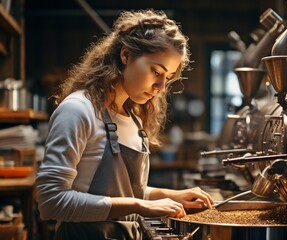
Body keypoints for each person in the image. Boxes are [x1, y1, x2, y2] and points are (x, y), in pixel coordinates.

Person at [36, 9, 214, 239]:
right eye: (155, 71)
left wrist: (171, 195)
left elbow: (124, 193)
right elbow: (51, 202)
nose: (161, 86)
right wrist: (138, 206)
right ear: (126, 55)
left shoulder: (134, 118)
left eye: (167, 77)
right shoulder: (79, 110)